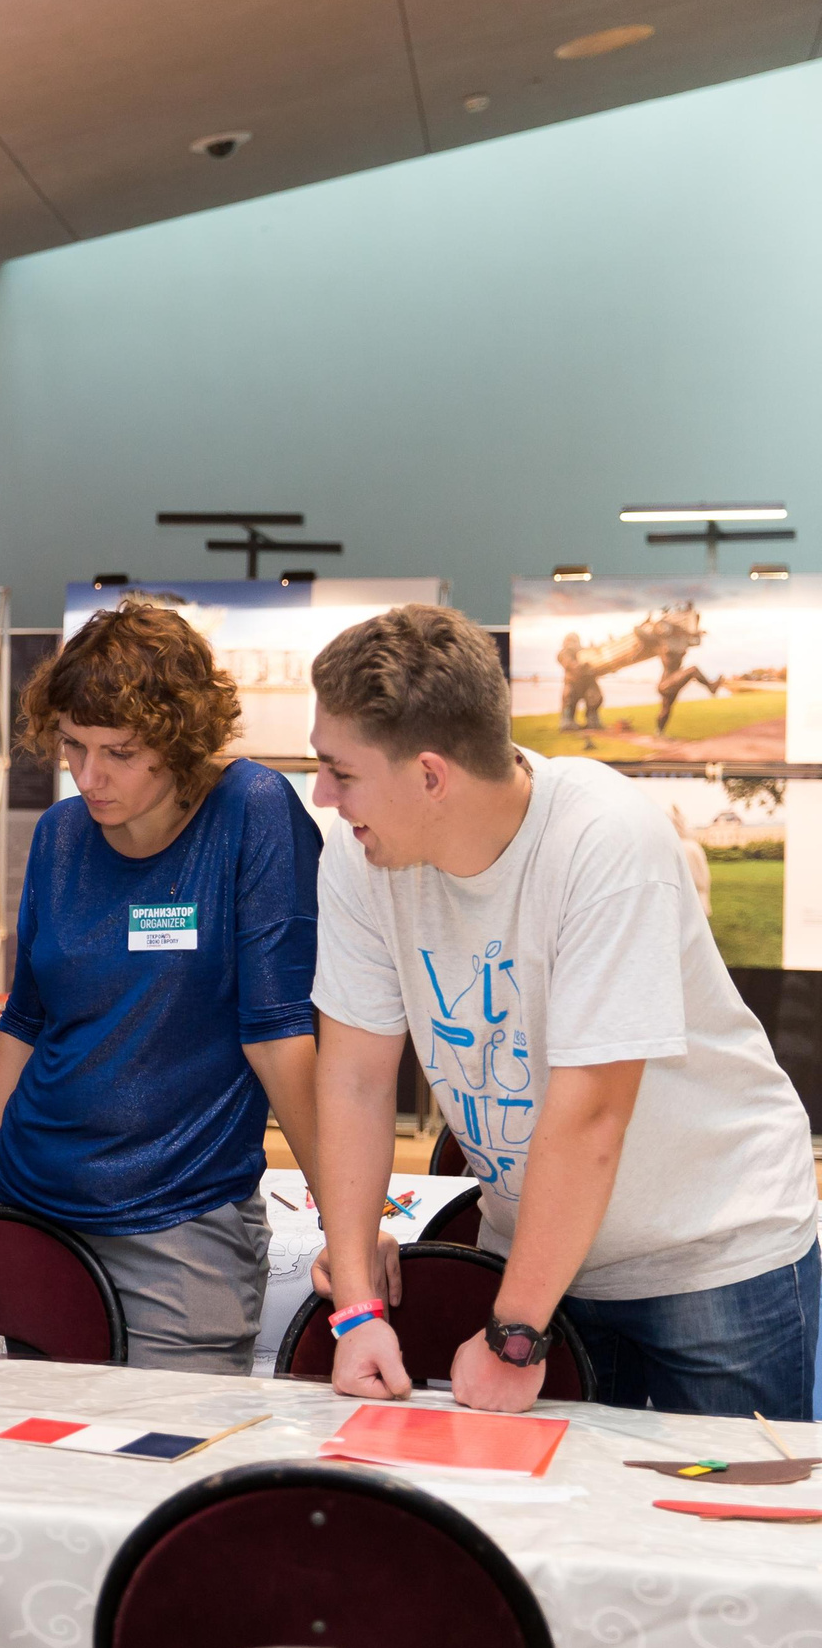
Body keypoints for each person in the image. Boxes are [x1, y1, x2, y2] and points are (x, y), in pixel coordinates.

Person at [306, 604, 819, 1418]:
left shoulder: (604, 841)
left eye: (341, 770)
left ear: (431, 775)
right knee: (556, 1522)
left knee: (719, 1531)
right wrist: (358, 1308)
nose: (323, 793)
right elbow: (356, 1082)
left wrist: (515, 1335)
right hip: (547, 1258)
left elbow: (590, 1119)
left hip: (712, 1252)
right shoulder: (359, 854)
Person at [0, 600, 331, 1373]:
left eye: (121, 750)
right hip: (29, 1205)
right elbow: (26, 1019)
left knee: (166, 1462)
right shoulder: (61, 835)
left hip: (178, 1226)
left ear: (180, 740)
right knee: (40, 1461)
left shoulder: (253, 813)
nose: (89, 775)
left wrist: (346, 1221)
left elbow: (280, 1038)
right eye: (73, 745)